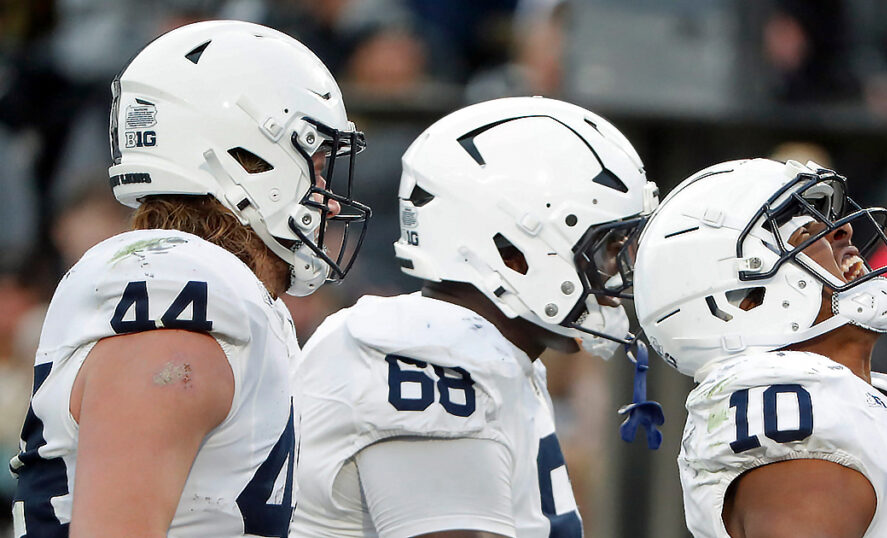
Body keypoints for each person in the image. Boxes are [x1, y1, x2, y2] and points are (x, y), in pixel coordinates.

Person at [9, 20, 369, 537]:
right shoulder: (182, 292)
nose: (328, 199)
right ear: (247, 160)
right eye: (312, 166)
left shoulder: (228, 298)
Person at [290, 96, 659, 537]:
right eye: (609, 247)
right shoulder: (430, 356)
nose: (619, 273)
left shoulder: (491, 356)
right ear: (513, 253)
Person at [633, 158, 887, 537]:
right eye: (806, 234)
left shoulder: (876, 399)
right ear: (744, 299)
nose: (844, 230)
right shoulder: (794, 409)